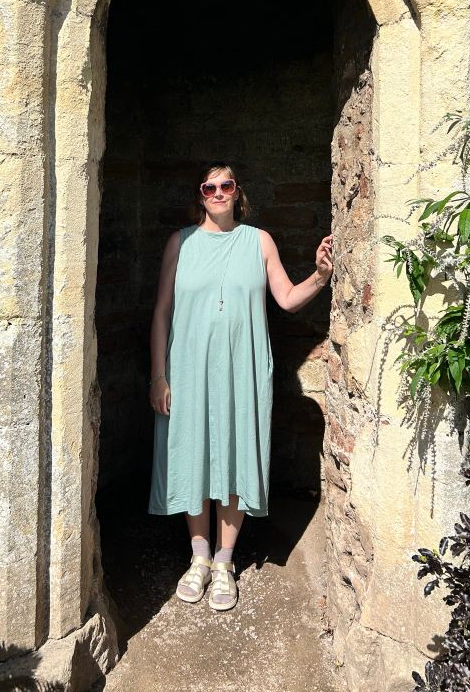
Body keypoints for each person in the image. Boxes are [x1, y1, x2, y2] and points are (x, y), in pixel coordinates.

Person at [147, 161, 333, 612]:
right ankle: (199, 558)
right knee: (191, 455)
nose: (217, 192)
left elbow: (287, 298)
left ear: (237, 192)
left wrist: (321, 276)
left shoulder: (259, 241)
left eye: (225, 185)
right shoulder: (181, 242)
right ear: (201, 194)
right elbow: (162, 313)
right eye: (209, 186)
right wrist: (158, 375)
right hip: (187, 368)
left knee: (234, 455)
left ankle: (225, 563)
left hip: (241, 369)